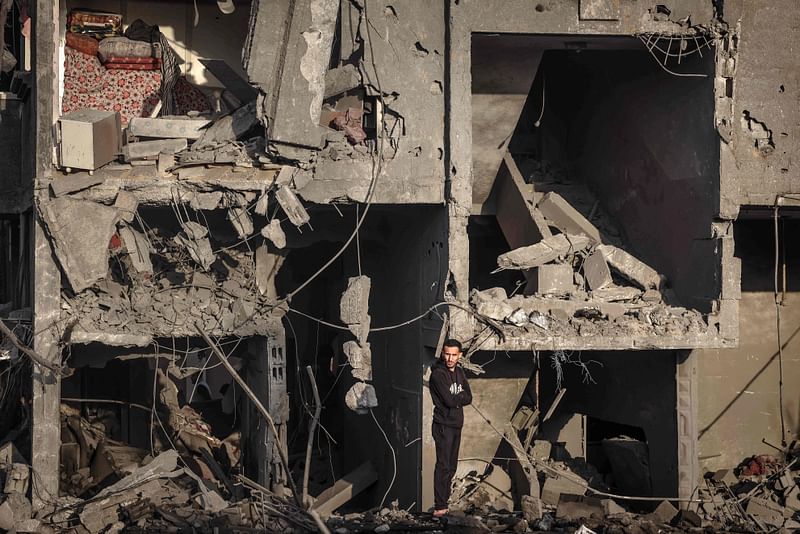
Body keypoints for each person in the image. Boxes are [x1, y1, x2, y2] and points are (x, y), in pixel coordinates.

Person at [429, 339, 472, 517]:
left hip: (456, 424)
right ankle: (439, 506)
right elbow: (448, 400)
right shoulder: (438, 375)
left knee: (452, 466)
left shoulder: (460, 372)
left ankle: (444, 503)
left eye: (454, 355)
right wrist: (459, 398)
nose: (450, 358)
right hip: (443, 425)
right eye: (447, 354)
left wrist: (458, 399)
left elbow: (469, 397)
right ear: (443, 353)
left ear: (459, 355)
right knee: (443, 465)